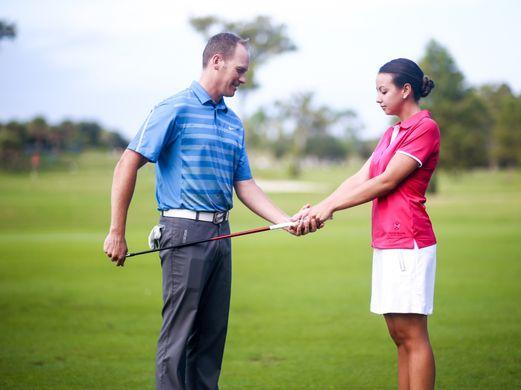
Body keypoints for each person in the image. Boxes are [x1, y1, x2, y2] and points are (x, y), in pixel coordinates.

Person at [103, 32, 298, 390]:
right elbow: (127, 164)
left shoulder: (233, 123)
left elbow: (246, 186)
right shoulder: (173, 108)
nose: (243, 78)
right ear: (217, 61)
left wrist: (284, 221)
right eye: (239, 69)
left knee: (211, 338)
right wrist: (117, 231)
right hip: (183, 233)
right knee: (179, 337)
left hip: (221, 236)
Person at [297, 58, 439, 390]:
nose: (377, 97)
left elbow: (386, 182)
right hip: (388, 242)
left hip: (410, 242)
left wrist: (330, 209)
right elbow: (361, 177)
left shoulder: (424, 128)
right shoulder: (391, 134)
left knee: (414, 335)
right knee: (399, 335)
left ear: (406, 90)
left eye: (383, 90)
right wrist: (318, 207)